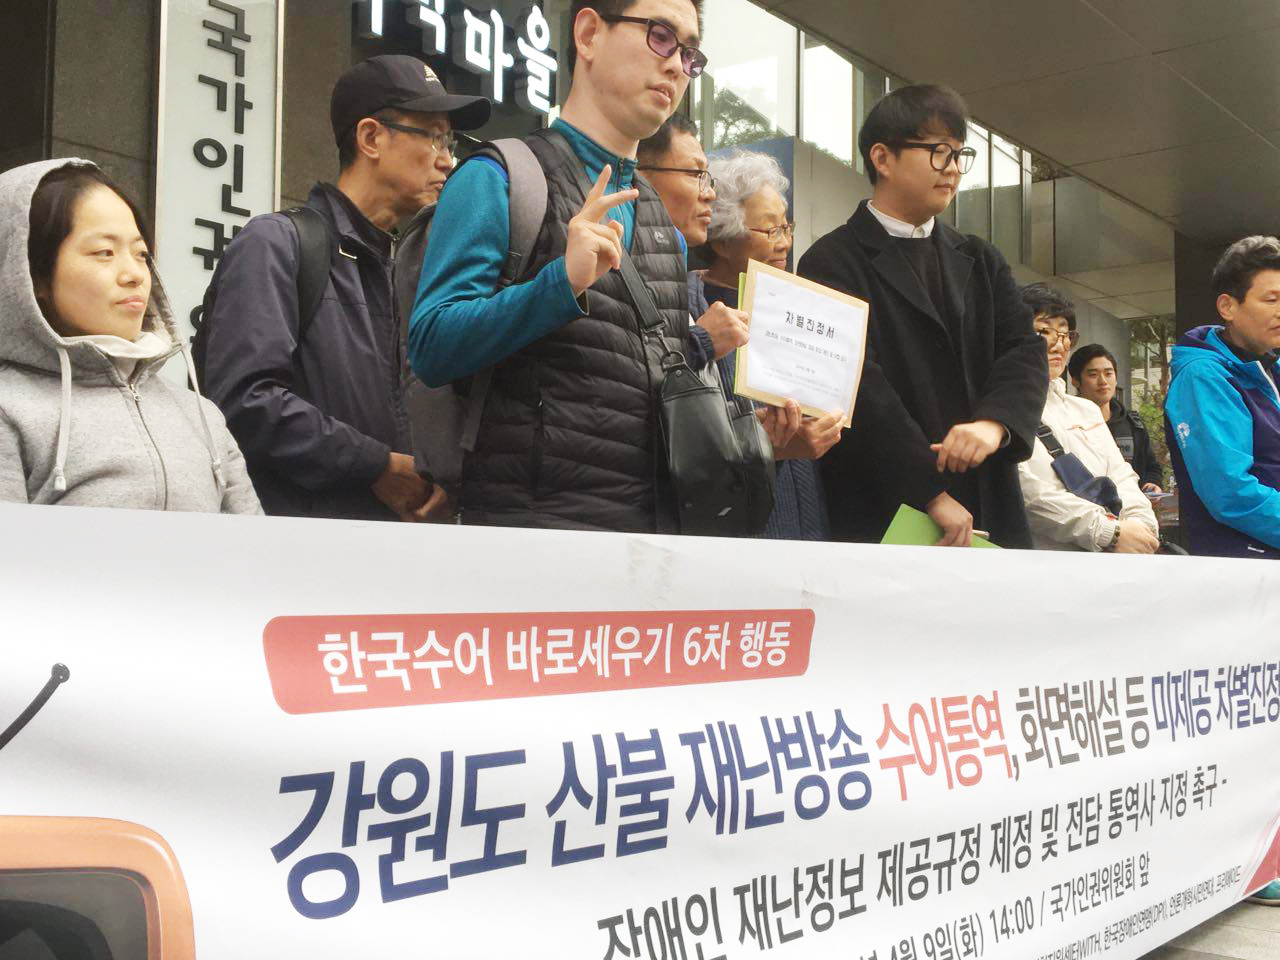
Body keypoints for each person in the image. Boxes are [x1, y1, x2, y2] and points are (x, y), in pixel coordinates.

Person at [408, 0, 705, 533]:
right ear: (588, 34)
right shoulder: (499, 177)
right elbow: (430, 346)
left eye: (689, 54)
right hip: (530, 546)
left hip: (649, 548)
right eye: (660, 35)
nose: (675, 65)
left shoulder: (665, 227)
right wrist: (560, 283)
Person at [200, 56, 489, 521]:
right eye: (434, 136)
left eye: (450, 141)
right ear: (371, 138)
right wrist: (374, 466)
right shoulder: (275, 243)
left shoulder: (405, 270)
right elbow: (244, 400)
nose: (447, 160)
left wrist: (437, 480)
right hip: (295, 549)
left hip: (393, 548)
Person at [797, 84, 1046, 547]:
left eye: (959, 154)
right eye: (937, 152)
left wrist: (994, 424)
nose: (952, 168)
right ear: (882, 159)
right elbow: (857, 385)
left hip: (989, 493)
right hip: (889, 506)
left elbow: (1024, 349)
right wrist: (928, 492)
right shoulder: (831, 261)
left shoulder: (980, 258)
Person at [0, 159, 259, 513]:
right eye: (104, 253)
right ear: (32, 275)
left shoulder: (202, 415)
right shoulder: (8, 408)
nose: (134, 274)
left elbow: (250, 540)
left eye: (141, 254)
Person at [677, 145, 842, 539]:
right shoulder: (689, 309)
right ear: (722, 241)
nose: (784, 242)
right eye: (770, 231)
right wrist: (773, 444)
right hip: (727, 532)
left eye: (786, 227)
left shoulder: (800, 308)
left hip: (799, 521)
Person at [1015, 284, 1158, 552]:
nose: (1059, 344)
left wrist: (1141, 525)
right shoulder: (999, 410)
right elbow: (1025, 492)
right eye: (1044, 331)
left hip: (1112, 561)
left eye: (1065, 333)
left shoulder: (1086, 410)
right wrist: (1109, 532)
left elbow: (1122, 477)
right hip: (1042, 563)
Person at [1165, 235, 1280, 559]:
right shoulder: (1204, 377)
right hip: (1245, 567)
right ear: (1228, 306)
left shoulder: (1269, 368)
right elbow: (1230, 493)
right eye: (1271, 299)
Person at [1068, 343, 1163, 492]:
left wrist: (1152, 483)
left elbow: (1151, 467)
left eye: (1108, 373)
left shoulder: (1132, 423)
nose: (1103, 381)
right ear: (1075, 380)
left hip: (1131, 504)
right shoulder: (1066, 425)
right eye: (1093, 375)